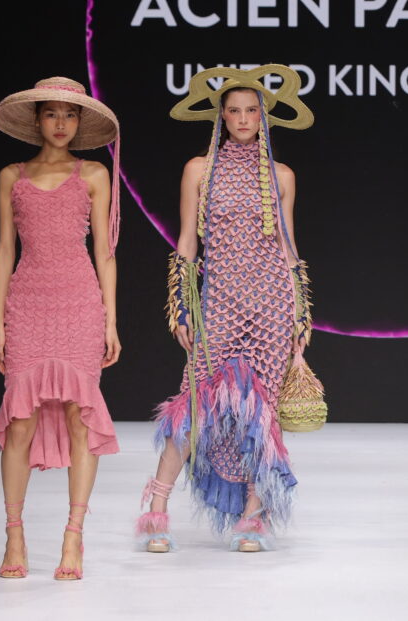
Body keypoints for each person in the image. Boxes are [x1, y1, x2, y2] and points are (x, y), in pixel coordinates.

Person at [136, 65, 314, 553]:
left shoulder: (281, 175)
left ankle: (253, 517)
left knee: (263, 410)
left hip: (272, 305)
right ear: (221, 116)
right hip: (219, 302)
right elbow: (187, 243)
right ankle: (156, 508)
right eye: (234, 110)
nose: (243, 118)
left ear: (264, 116)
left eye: (252, 110)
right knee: (193, 404)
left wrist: (301, 313)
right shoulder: (199, 170)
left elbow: (288, 247)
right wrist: (180, 307)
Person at [0, 76, 122, 581]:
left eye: (70, 115)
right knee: (19, 421)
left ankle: (73, 537)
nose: (61, 123)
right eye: (51, 114)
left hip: (79, 303)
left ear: (80, 122)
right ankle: (14, 534)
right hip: (27, 303)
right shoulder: (12, 175)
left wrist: (111, 319)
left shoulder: (94, 174)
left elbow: (104, 252)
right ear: (37, 120)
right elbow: (5, 249)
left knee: (79, 416)